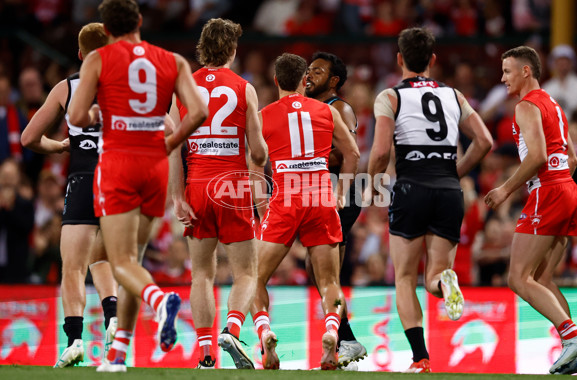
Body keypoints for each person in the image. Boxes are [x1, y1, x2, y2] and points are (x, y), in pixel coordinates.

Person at [67, 0, 208, 372]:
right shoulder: (172, 60)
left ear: (107, 29)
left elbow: (77, 116)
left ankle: (162, 303)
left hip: (118, 163)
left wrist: (98, 112)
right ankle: (117, 354)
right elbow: (198, 111)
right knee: (136, 259)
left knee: (121, 262)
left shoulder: (98, 59)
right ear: (141, 22)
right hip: (156, 164)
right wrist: (171, 143)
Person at [367, 27, 492, 373]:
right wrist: (457, 172)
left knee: (405, 278)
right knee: (435, 275)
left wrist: (373, 185)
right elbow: (484, 141)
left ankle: (421, 359)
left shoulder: (389, 97)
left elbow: (379, 152)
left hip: (411, 187)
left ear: (399, 59)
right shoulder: (454, 95)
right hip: (449, 191)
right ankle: (444, 282)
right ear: (433, 60)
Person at [485, 46, 577, 375]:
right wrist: (559, 188)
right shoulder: (554, 105)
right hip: (568, 189)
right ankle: (576, 355)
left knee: (518, 278)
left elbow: (537, 157)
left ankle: (573, 337)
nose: (502, 78)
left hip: (549, 190)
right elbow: (571, 160)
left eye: (507, 71)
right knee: (543, 277)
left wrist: (506, 189)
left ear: (526, 72)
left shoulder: (526, 106)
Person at [168, 18, 268, 369]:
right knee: (246, 272)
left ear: (202, 48)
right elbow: (257, 153)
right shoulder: (244, 88)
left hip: (196, 185)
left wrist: (177, 196)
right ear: (233, 50)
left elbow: (172, 147)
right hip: (232, 186)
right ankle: (233, 327)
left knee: (201, 273)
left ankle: (206, 355)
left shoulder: (183, 88)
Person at [250, 53, 360, 370]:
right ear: (304, 81)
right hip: (321, 196)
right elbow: (352, 153)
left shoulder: (264, 116)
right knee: (329, 281)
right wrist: (341, 192)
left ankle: (265, 334)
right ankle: (330, 337)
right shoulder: (326, 111)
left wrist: (261, 207)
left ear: (275, 81)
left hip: (286, 197)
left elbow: (255, 165)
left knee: (256, 278)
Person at [20, 23, 119, 368]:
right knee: (105, 256)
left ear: (80, 54)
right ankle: (114, 320)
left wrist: (60, 146)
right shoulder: (130, 87)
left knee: (73, 266)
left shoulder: (68, 86)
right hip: (120, 179)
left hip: (82, 177)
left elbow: (29, 138)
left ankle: (75, 340)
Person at [305, 51, 366, 368]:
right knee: (320, 270)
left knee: (322, 268)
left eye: (317, 71)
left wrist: (308, 155)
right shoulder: (309, 107)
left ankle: (347, 342)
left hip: (342, 189)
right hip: (325, 189)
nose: (309, 75)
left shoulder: (338, 108)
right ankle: (346, 347)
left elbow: (345, 157)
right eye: (308, 69)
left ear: (333, 81)